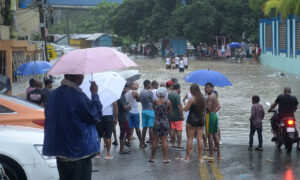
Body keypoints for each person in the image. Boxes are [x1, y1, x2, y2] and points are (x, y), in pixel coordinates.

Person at [43, 74, 102, 180]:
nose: (83, 78)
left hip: (60, 151)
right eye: (81, 75)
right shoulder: (78, 95)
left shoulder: (53, 94)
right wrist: (94, 94)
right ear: (76, 77)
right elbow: (95, 116)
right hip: (79, 152)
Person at [182, 84, 206, 163]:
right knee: (200, 139)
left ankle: (187, 158)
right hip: (201, 120)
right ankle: (200, 158)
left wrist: (185, 105)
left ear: (192, 90)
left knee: (190, 138)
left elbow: (186, 109)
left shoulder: (192, 99)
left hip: (192, 120)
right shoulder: (203, 98)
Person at [149, 87, 172, 163]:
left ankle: (152, 158)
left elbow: (154, 109)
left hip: (157, 121)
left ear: (157, 93)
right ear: (165, 94)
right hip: (165, 121)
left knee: (155, 140)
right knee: (164, 140)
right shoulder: (168, 102)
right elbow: (170, 112)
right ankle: (165, 159)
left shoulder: (154, 101)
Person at [126, 82, 145, 148]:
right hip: (135, 112)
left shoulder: (123, 92)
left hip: (128, 112)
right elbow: (139, 100)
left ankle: (128, 141)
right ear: (131, 85)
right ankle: (141, 143)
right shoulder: (134, 92)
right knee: (137, 128)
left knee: (130, 128)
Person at [205, 82, 222, 159]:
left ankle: (211, 154)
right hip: (214, 115)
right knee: (215, 134)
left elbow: (208, 108)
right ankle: (219, 154)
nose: (206, 89)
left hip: (209, 116)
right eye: (205, 88)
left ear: (212, 88)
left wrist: (205, 104)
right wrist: (214, 111)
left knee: (210, 135)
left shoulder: (209, 97)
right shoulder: (215, 95)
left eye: (208, 88)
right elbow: (219, 106)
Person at [168, 83, 184, 150]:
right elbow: (179, 106)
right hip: (177, 115)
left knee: (172, 129)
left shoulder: (169, 94)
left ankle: (173, 143)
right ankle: (179, 144)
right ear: (178, 88)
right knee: (179, 130)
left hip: (170, 115)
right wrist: (182, 115)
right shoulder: (177, 96)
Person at [140, 80, 155, 145]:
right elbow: (153, 101)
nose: (150, 86)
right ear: (147, 85)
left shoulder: (141, 92)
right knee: (151, 127)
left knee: (144, 127)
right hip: (150, 111)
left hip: (143, 111)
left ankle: (142, 142)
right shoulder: (149, 93)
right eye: (150, 84)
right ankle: (152, 143)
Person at [118, 86, 131, 154]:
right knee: (124, 132)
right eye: (126, 88)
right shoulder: (121, 97)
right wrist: (128, 104)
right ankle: (121, 149)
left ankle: (122, 147)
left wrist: (128, 105)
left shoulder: (123, 96)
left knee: (127, 131)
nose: (127, 89)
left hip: (125, 117)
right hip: (123, 118)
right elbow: (124, 107)